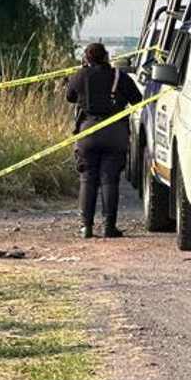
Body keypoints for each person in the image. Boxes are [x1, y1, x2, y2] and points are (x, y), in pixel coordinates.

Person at [65, 43, 143, 238]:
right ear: (107, 56)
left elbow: (70, 97)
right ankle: (109, 226)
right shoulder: (120, 77)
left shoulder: (79, 76)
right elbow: (137, 100)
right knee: (110, 179)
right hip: (115, 133)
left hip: (88, 132)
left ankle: (86, 227)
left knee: (87, 179)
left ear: (86, 58)